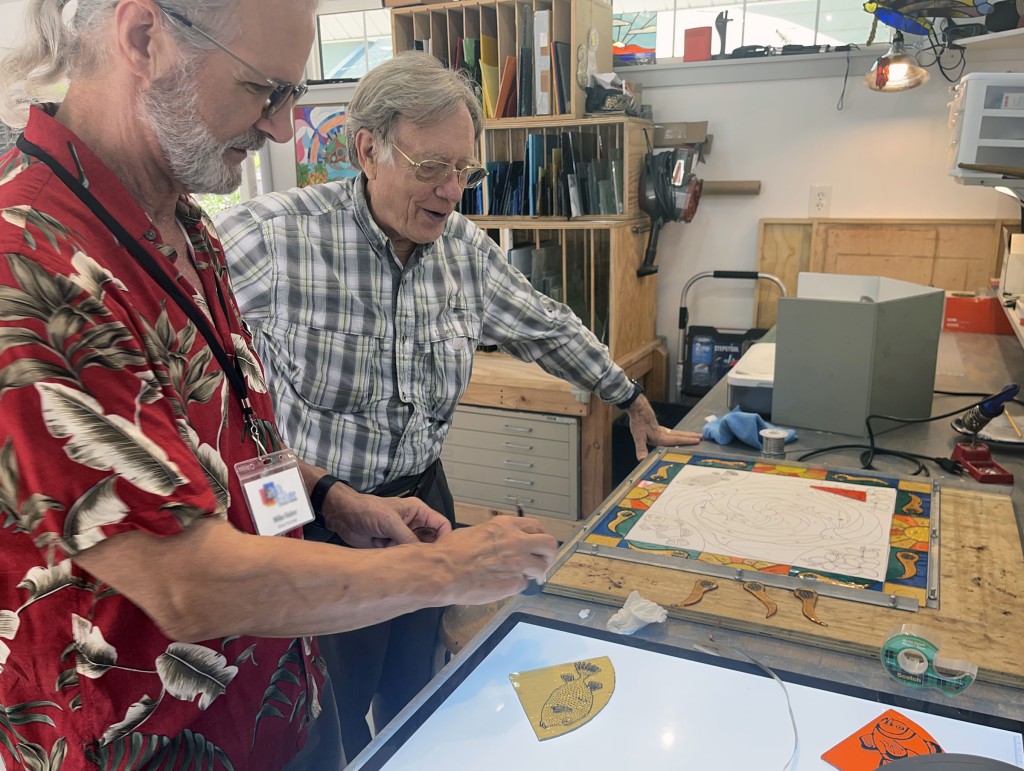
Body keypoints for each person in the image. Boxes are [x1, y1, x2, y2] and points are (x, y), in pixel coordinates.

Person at [0, 4, 557, 770]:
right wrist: (449, 570)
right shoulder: (31, 265)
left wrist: (329, 499)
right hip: (152, 746)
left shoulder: (181, 224)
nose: (284, 129)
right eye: (264, 91)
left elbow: (228, 445)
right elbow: (184, 581)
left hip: (283, 699)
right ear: (143, 39)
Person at [216, 50, 703, 758]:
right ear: (367, 151)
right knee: (326, 720)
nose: (451, 192)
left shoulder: (464, 253)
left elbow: (546, 326)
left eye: (465, 172)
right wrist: (273, 498)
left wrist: (628, 395)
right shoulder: (271, 237)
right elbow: (188, 360)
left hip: (422, 508)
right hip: (311, 518)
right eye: (431, 168)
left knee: (419, 697)